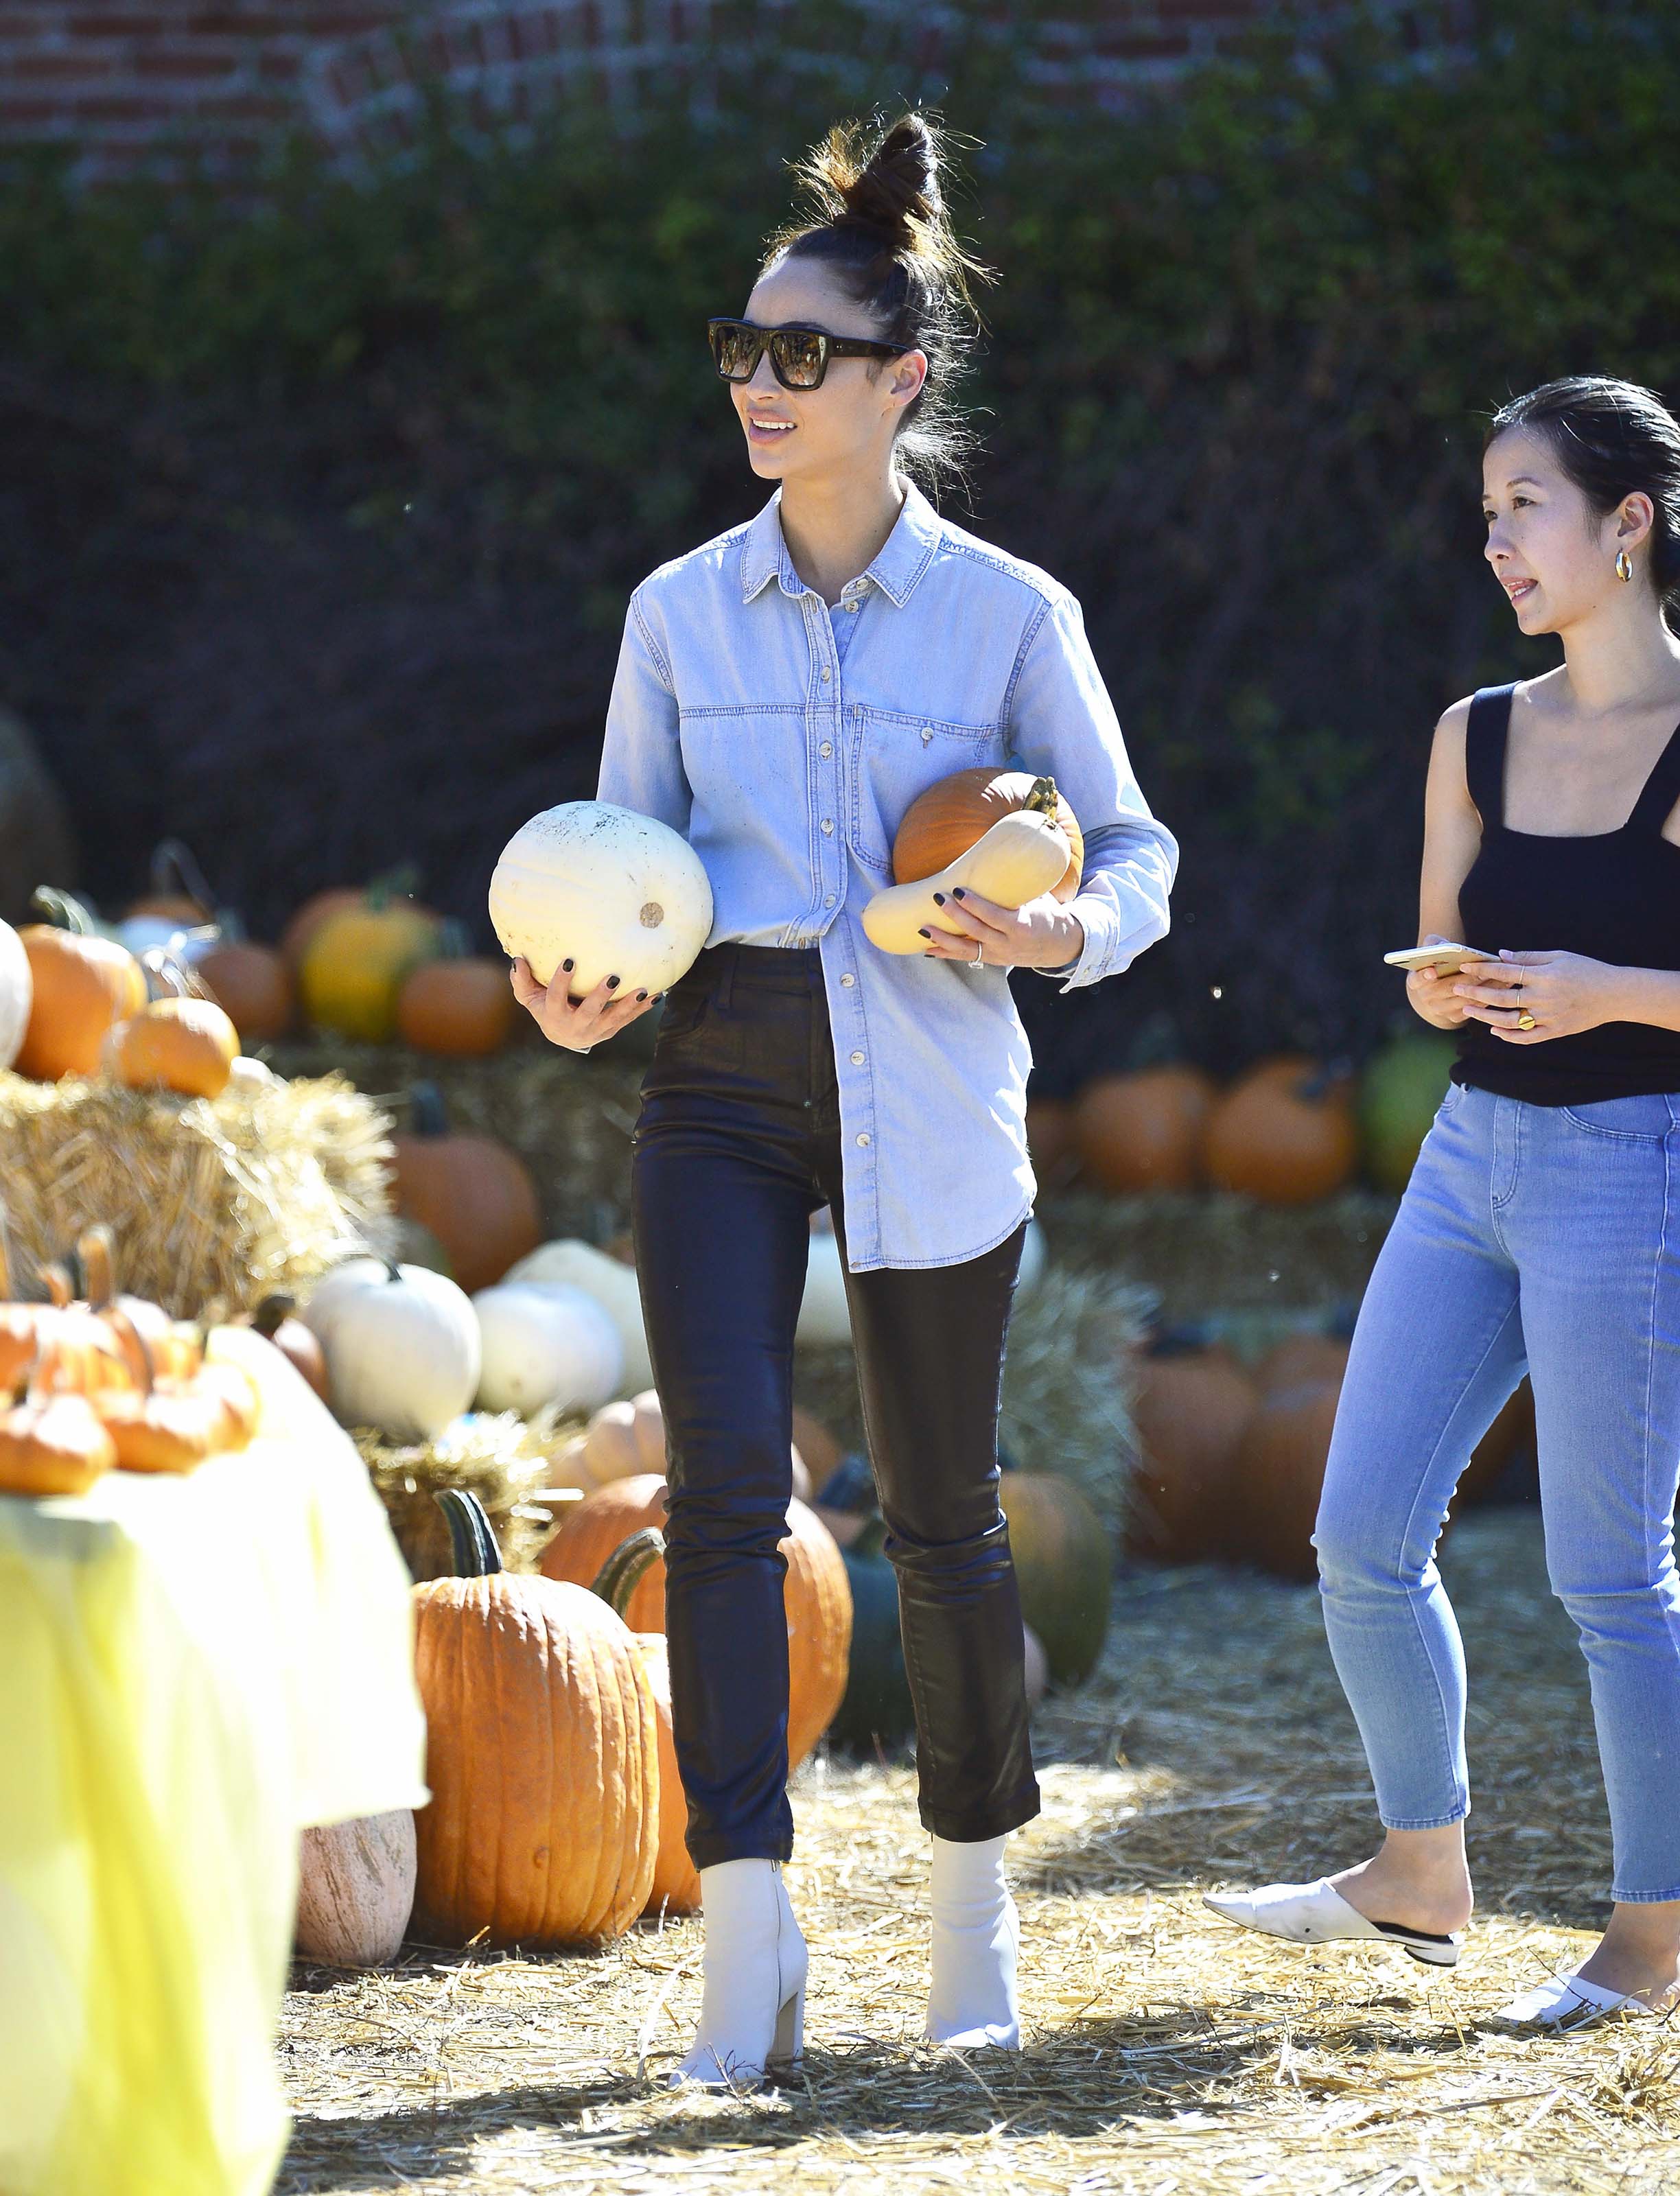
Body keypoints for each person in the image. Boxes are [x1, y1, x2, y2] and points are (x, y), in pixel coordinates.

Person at [510, 110, 1176, 2084]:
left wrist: (1038, 938)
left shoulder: (1012, 617)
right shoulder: (674, 612)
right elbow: (619, 869)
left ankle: (973, 1939)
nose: (759, 384)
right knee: (720, 1505)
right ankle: (749, 1944)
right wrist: (571, 1000)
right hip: (718, 1076)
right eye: (741, 347)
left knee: (950, 1523)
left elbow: (1133, 858)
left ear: (902, 382)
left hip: (935, 1082)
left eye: (802, 354)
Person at [1205, 376, 1680, 2027]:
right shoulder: (1475, 730)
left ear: (1629, 524)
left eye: (1526, 506)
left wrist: (1604, 992)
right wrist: (1464, 988)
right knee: (1358, 1532)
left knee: (1611, 1577)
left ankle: (1650, 1936)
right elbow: (1431, 963)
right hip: (1472, 1155)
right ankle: (1422, 1868)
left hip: (1636, 1167)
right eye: (1486, 511)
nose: (1497, 541)